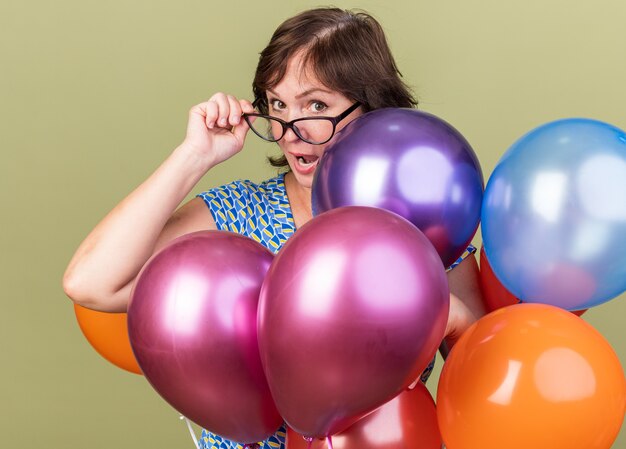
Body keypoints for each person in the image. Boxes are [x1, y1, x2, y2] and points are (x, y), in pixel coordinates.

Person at [63, 7, 485, 449]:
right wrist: (195, 156)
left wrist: (451, 319)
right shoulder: (239, 213)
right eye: (278, 105)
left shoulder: (421, 223)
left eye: (316, 105)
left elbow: (479, 379)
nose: (290, 131)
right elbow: (90, 282)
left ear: (372, 110)